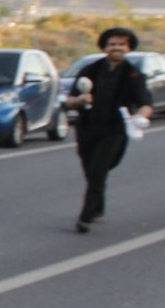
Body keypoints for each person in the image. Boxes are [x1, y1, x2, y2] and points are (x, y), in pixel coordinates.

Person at [65, 26, 153, 233]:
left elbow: (145, 103)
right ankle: (97, 207)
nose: (116, 48)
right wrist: (79, 99)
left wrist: (140, 117)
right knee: (90, 170)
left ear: (128, 48)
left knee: (98, 172)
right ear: (105, 48)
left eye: (121, 44)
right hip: (87, 128)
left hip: (114, 130)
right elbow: (68, 101)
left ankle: (85, 218)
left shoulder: (134, 75)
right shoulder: (90, 71)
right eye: (112, 44)